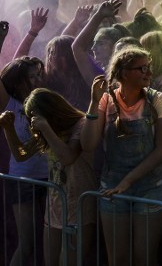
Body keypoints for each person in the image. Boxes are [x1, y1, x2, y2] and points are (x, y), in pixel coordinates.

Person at [80, 47, 162, 266]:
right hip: (112, 187)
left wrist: (128, 180)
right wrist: (93, 102)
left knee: (144, 258)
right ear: (123, 73)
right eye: (142, 68)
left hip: (151, 187)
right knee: (118, 259)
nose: (149, 73)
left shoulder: (158, 100)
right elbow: (88, 144)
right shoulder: (105, 101)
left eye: (148, 67)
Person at [0, 88, 97, 266]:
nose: (32, 125)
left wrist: (45, 127)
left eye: (34, 118)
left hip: (80, 207)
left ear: (51, 111)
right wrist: (8, 129)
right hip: (55, 207)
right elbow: (21, 154)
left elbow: (68, 157)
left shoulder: (80, 124)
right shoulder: (49, 131)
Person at [0, 57, 48, 266]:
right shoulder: (9, 103)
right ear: (19, 81)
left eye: (39, 74)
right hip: (23, 179)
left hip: (50, 178)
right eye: (32, 76)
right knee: (27, 243)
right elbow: (21, 153)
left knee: (50, 240)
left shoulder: (44, 102)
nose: (38, 79)